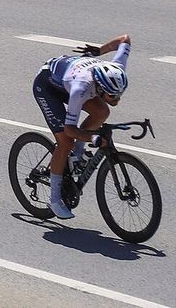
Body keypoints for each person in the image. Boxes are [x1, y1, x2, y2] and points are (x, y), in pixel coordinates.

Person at [32, 34, 132, 220]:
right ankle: (54, 201)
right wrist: (92, 138)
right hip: (48, 86)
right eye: (113, 96)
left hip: (72, 76)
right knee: (65, 141)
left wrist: (99, 51)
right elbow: (71, 129)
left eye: (119, 95)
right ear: (100, 88)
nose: (117, 100)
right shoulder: (81, 88)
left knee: (102, 112)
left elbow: (124, 39)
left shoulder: (117, 69)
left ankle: (75, 157)